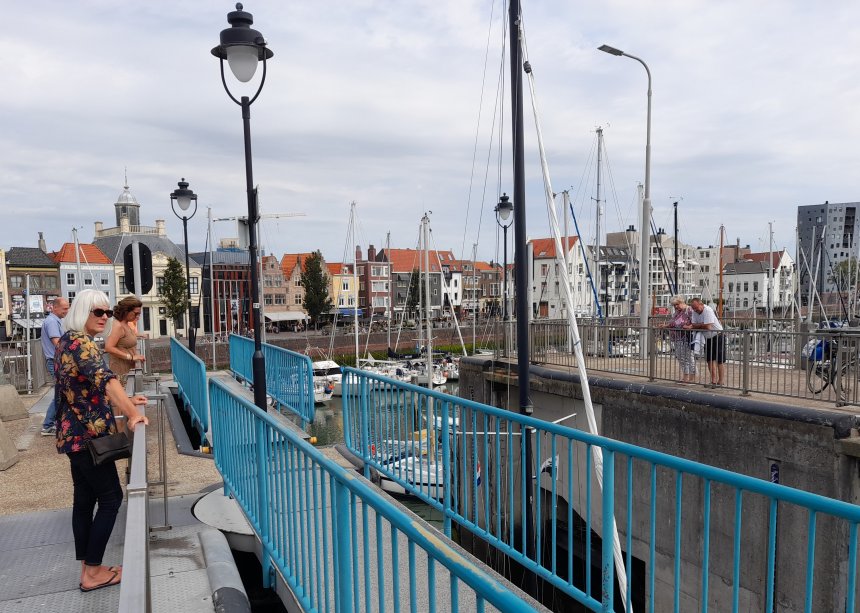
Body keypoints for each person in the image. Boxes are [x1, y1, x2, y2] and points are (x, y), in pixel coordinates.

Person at [54, 289, 148, 592]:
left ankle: (88, 567)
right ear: (83, 311)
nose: (104, 317)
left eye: (107, 313)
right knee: (111, 499)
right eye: (98, 312)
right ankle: (92, 573)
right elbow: (106, 381)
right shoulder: (82, 345)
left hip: (72, 436)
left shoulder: (67, 342)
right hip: (89, 437)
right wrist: (132, 413)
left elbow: (83, 390)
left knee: (83, 500)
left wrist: (127, 399)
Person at [40, 297, 70, 435]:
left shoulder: (54, 321)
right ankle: (48, 425)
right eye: (65, 308)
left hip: (55, 361)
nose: (67, 311)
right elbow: (57, 343)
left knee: (60, 392)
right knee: (59, 393)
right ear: (55, 307)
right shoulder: (52, 322)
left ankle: (53, 423)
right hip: (56, 361)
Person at [686, 297, 726, 388]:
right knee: (709, 360)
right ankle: (713, 381)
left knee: (720, 360)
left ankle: (721, 381)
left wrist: (696, 326)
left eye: (696, 308)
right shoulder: (695, 312)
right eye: (694, 308)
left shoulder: (708, 310)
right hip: (707, 337)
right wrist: (699, 325)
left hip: (718, 335)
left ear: (701, 304)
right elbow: (694, 325)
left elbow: (708, 326)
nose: (695, 310)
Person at [104, 296, 145, 385]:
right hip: (121, 375)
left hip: (129, 372)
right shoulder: (117, 326)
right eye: (136, 313)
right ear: (126, 311)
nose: (137, 316)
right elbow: (109, 347)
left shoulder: (126, 324)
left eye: (139, 314)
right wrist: (131, 357)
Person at [663, 295, 697, 383]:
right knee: (680, 357)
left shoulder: (689, 310)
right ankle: (685, 376)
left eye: (677, 304)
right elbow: (673, 323)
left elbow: (695, 322)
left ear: (682, 302)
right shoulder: (677, 312)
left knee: (689, 357)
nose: (675, 307)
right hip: (677, 338)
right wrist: (665, 326)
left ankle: (692, 377)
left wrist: (689, 326)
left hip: (687, 337)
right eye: (674, 305)